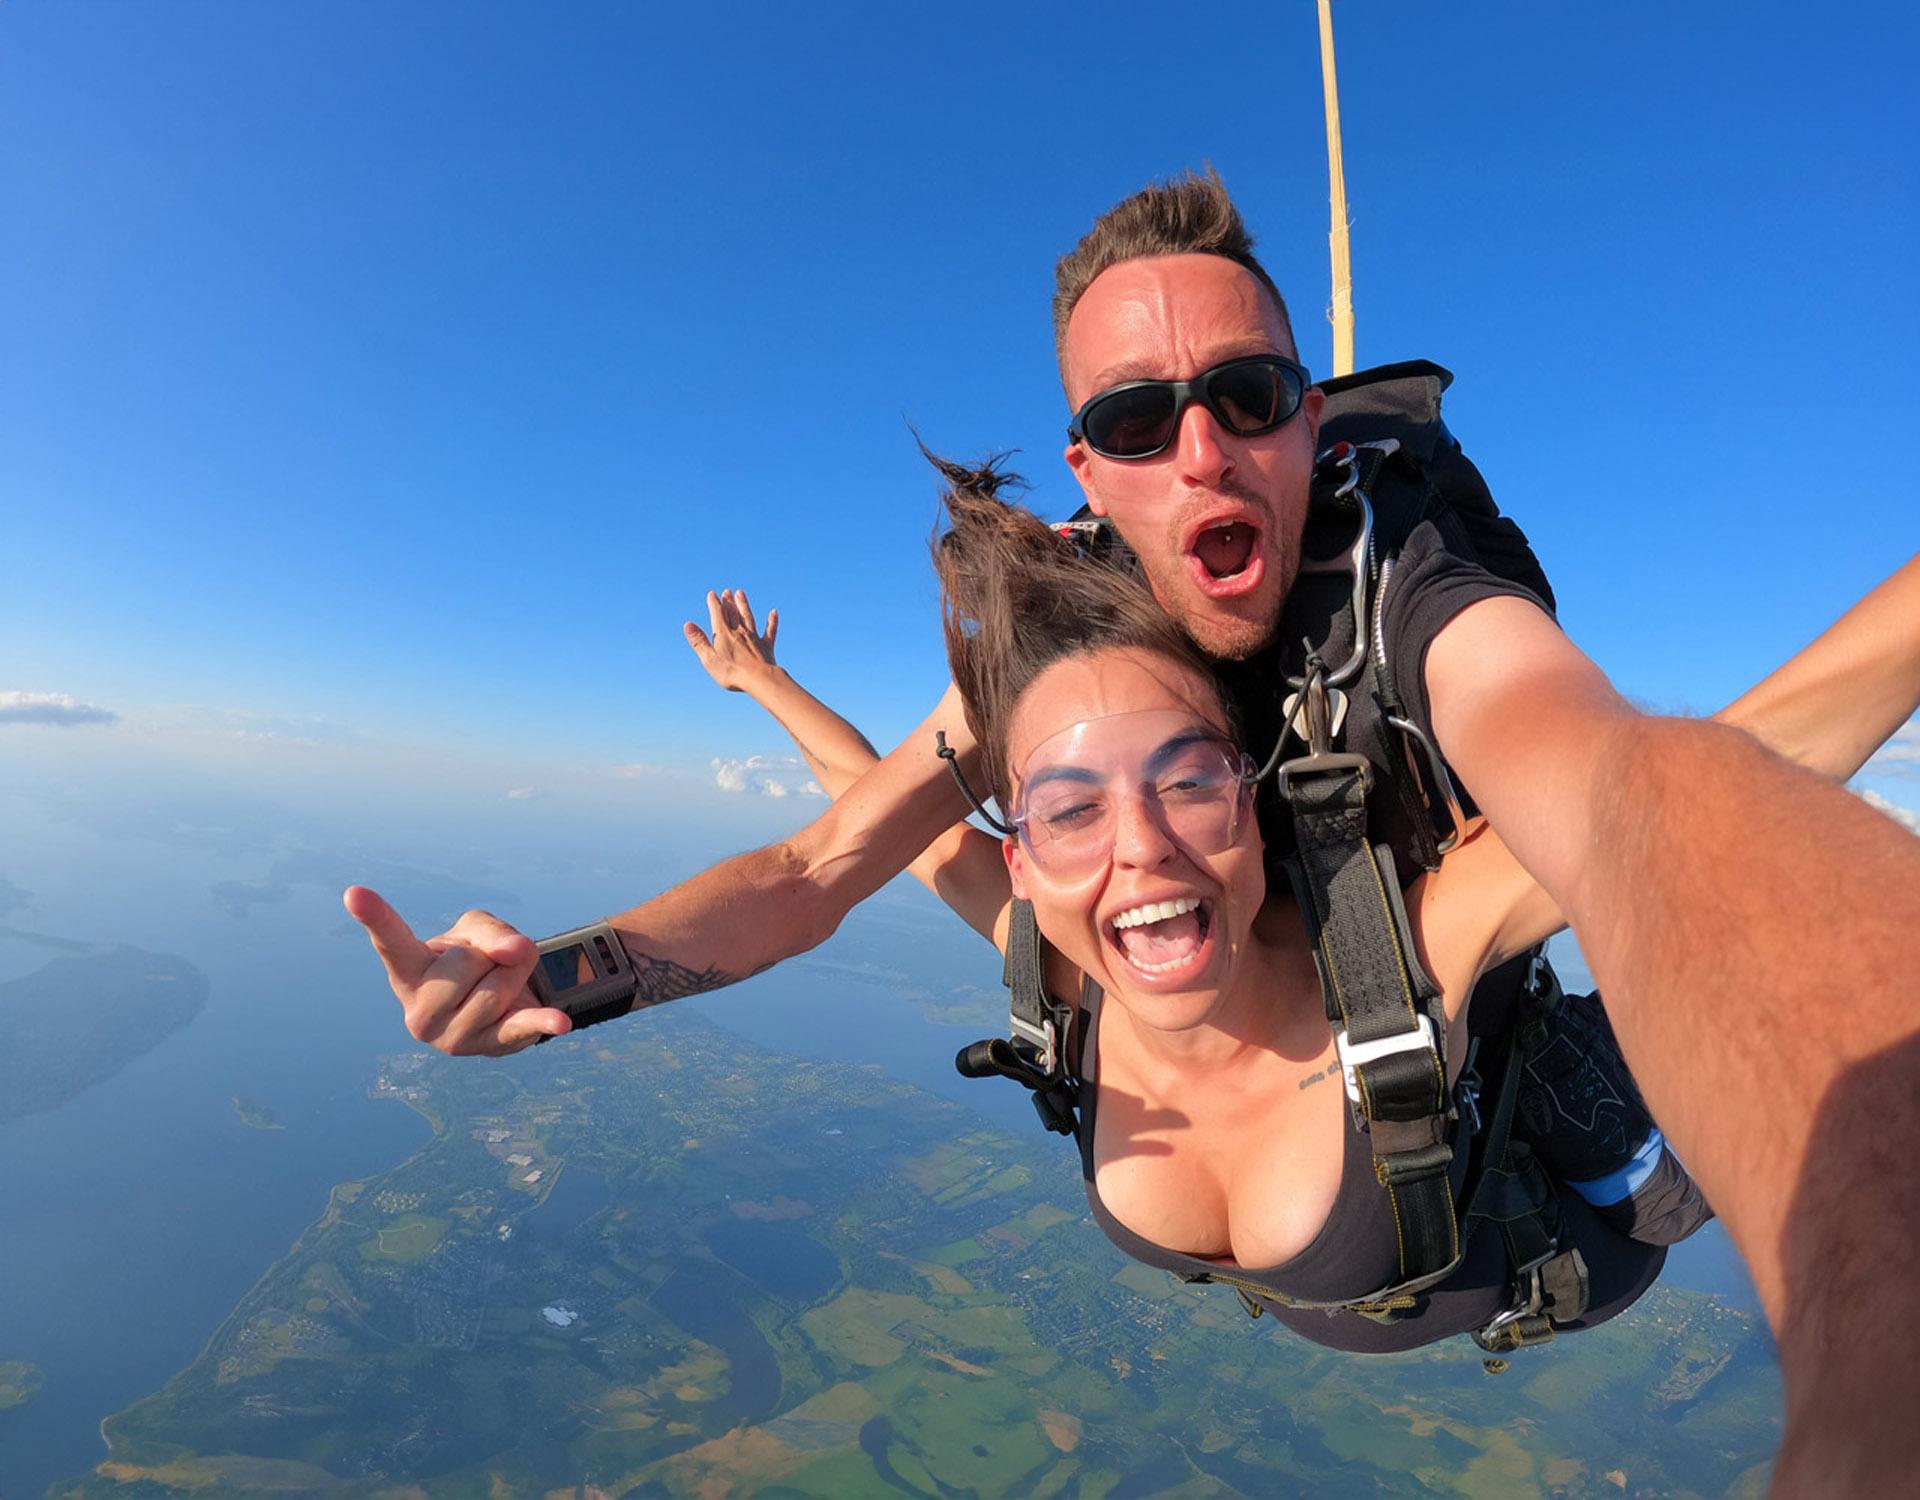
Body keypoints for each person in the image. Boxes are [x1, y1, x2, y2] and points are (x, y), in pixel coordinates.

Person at [349, 173, 1920, 1481]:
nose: (1205, 451)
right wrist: (563, 971)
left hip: (1538, 1211)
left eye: (1248, 397)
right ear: (1087, 472)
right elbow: (832, 858)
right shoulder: (1065, 778)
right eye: (1139, 415)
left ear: (1309, 423)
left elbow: (1654, 789)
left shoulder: (1410, 638)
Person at [682, 473, 1915, 1352]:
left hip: (1573, 1255)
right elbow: (888, 822)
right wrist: (765, 685)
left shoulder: (1400, 963)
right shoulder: (1062, 971)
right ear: (1029, 864)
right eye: (1068, 812)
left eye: (1190, 785)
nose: (1140, 853)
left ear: (1251, 811)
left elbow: (1740, 762)